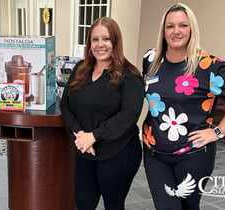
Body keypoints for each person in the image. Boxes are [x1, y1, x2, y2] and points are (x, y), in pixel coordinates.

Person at [141, 3, 225, 210]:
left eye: (183, 25)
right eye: (170, 26)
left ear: (191, 29)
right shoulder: (151, 59)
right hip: (154, 152)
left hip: (193, 155)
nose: (176, 31)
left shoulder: (209, 66)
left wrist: (218, 131)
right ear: (163, 30)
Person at [60, 17, 144, 210]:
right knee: (83, 203)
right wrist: (81, 135)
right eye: (95, 39)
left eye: (106, 39)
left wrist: (94, 136)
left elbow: (128, 115)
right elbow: (65, 103)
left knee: (113, 204)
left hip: (118, 152)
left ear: (115, 41)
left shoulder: (129, 76)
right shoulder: (81, 69)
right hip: (85, 149)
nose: (100, 45)